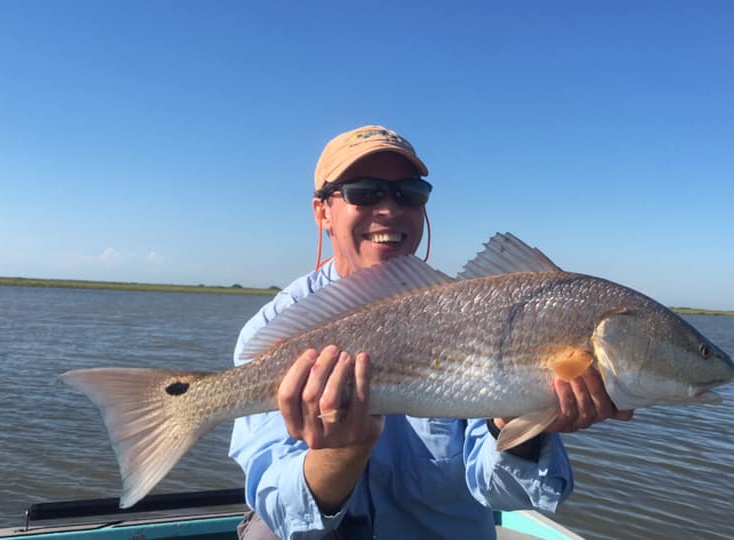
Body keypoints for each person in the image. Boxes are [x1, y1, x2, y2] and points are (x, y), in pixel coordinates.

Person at [229, 125, 632, 540]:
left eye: (409, 193)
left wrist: (518, 426)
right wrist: (340, 453)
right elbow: (280, 509)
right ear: (322, 212)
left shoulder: (474, 310)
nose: (389, 209)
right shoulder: (277, 328)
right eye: (364, 192)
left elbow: (502, 493)